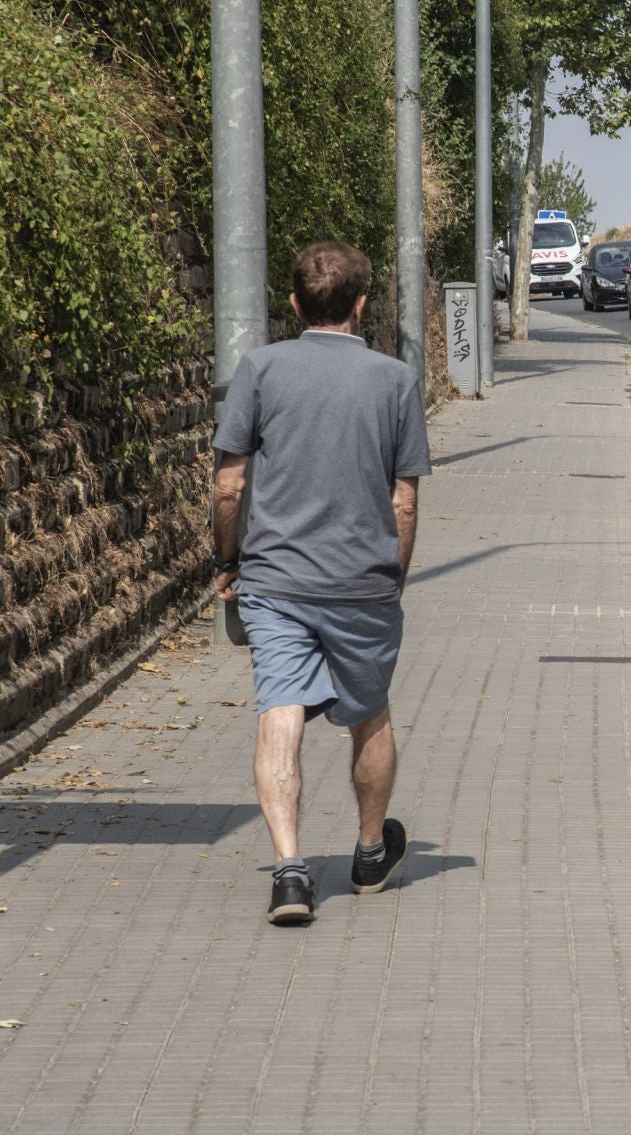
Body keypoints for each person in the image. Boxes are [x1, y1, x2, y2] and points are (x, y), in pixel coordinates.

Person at [211, 242, 432, 925]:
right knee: (369, 714)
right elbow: (404, 499)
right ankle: (370, 853)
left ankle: (289, 873)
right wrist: (393, 576)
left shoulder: (261, 368)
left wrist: (228, 560)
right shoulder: (394, 379)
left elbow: (228, 484)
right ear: (362, 305)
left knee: (280, 714)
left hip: (276, 581)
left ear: (295, 304)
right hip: (362, 582)